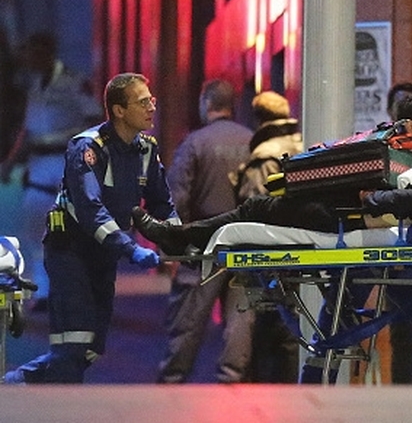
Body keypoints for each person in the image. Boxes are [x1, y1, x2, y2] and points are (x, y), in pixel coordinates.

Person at [132, 92, 412, 384]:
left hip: (358, 223)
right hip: (341, 214)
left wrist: (378, 200)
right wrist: (376, 200)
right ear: (411, 127)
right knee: (261, 212)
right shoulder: (397, 154)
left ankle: (179, 237)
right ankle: (179, 237)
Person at [4, 72, 176, 384]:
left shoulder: (146, 150)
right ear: (119, 110)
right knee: (74, 345)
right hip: (70, 251)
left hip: (103, 255)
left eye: (151, 100)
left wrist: (178, 237)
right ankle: (53, 402)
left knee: (91, 349)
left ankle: (18, 382)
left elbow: (161, 203)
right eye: (143, 102)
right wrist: (132, 249)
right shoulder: (87, 149)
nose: (152, 107)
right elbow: (90, 210)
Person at [156, 79, 257, 383]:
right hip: (245, 238)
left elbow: (177, 196)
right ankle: (232, 375)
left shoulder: (195, 143)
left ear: (207, 103)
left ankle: (173, 377)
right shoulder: (251, 140)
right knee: (241, 311)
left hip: (204, 242)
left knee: (188, 314)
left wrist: (173, 243)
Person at [0, 32, 103, 309]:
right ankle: (45, 291)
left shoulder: (74, 82)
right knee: (35, 228)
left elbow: (94, 121)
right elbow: (27, 129)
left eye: (32, 52)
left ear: (46, 52)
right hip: (38, 165)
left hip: (65, 161)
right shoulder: (34, 85)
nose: (27, 59)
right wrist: (10, 161)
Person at [229, 89, 303, 383]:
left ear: (258, 118)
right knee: (293, 326)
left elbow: (255, 211)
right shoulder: (304, 143)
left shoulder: (264, 156)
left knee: (271, 325)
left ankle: (269, 390)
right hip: (304, 248)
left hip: (272, 254)